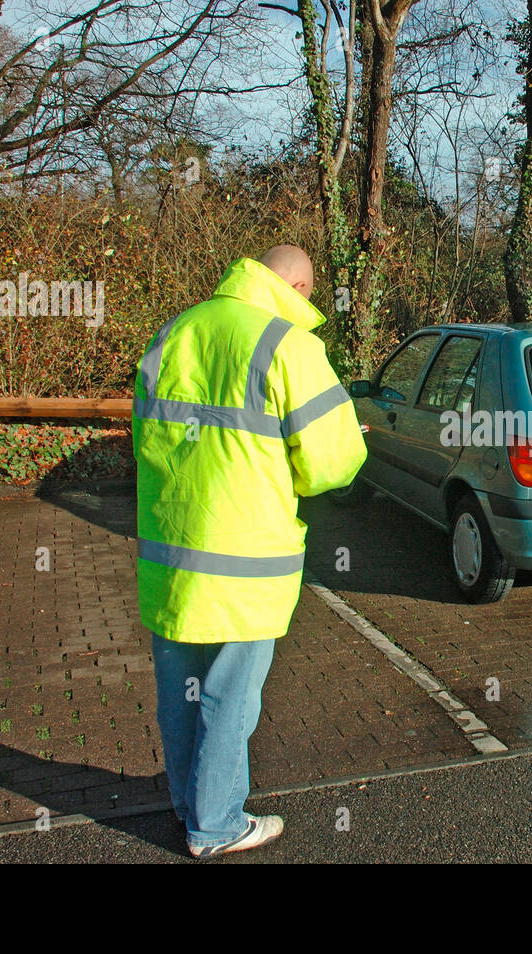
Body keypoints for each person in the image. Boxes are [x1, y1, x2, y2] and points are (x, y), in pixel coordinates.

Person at [132, 244, 366, 858]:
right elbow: (330, 462)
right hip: (245, 557)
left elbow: (144, 442)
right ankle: (217, 825)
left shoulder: (175, 332)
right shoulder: (288, 344)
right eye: (309, 293)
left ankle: (189, 806)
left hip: (171, 552)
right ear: (296, 284)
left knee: (179, 692)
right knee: (230, 697)